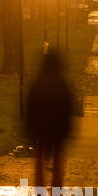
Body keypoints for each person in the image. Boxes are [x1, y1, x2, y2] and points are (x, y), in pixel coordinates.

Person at [26, 49, 72, 187]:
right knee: (57, 160)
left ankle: (40, 193)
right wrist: (67, 129)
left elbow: (31, 107)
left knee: (39, 160)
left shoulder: (37, 84)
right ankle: (57, 189)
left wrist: (29, 127)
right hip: (57, 129)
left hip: (40, 129)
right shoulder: (61, 84)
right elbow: (67, 108)